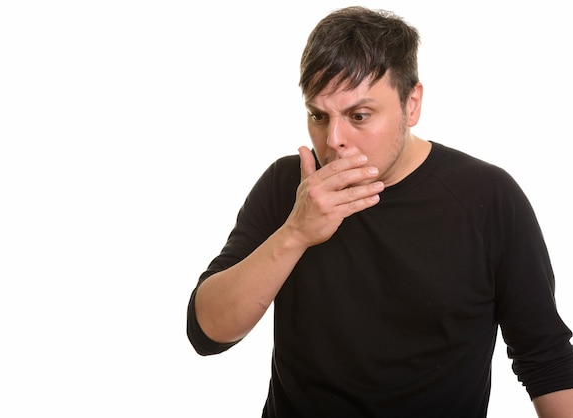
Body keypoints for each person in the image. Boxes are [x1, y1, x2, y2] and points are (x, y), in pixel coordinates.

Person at [186, 6, 573, 417]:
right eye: (318, 115)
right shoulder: (290, 187)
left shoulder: (488, 197)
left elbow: (545, 359)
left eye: (359, 116)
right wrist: (295, 233)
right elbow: (207, 332)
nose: (334, 140)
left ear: (412, 104)